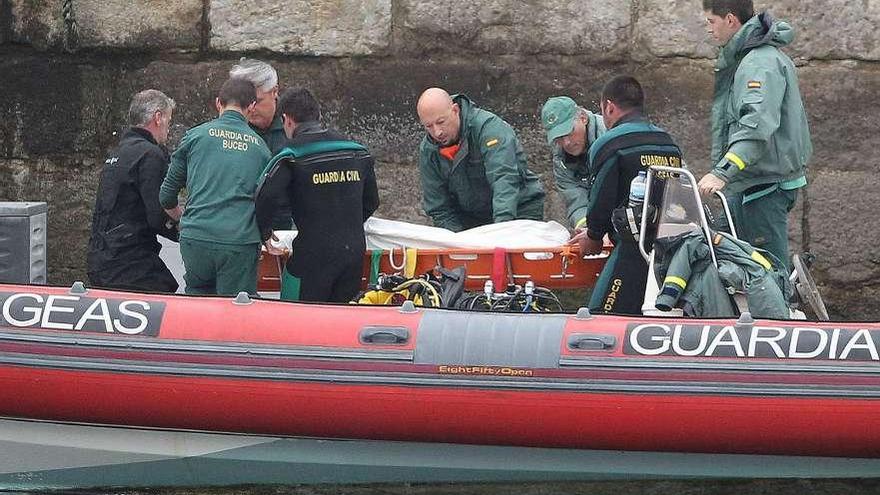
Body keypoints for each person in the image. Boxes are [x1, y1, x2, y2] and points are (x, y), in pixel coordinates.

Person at [697, 0, 811, 273]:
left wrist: (721, 172)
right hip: (751, 181)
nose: (707, 29)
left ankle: (778, 311)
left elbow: (755, 126)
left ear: (731, 20)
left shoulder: (758, 64)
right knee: (730, 253)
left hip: (764, 185)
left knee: (769, 268)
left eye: (711, 22)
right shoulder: (750, 59)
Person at [255, 88, 379, 302]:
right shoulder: (357, 152)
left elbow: (264, 197)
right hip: (352, 253)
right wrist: (345, 221)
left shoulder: (290, 156)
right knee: (342, 322)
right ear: (318, 116)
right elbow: (372, 201)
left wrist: (264, 233)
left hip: (312, 255)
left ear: (287, 120)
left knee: (297, 319)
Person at [575, 76, 683, 315]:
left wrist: (593, 235)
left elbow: (601, 198)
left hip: (632, 250)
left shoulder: (609, 144)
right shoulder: (668, 143)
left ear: (609, 107)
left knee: (600, 317)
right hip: (672, 253)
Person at [159, 78, 271, 296]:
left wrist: (184, 220)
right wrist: (266, 233)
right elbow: (267, 202)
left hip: (195, 238)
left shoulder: (194, 137)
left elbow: (166, 196)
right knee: (235, 310)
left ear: (218, 103)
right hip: (238, 241)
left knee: (198, 302)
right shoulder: (261, 149)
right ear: (252, 107)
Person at [87, 89, 180, 293]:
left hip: (101, 255)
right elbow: (157, 214)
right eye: (169, 121)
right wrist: (187, 234)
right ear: (158, 117)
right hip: (129, 261)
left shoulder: (118, 152)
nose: (168, 129)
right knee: (166, 293)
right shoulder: (150, 155)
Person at [416, 88, 545, 232]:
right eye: (429, 126)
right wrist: (457, 241)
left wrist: (501, 229)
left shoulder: (489, 129)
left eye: (441, 122)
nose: (437, 132)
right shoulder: (428, 150)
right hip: (472, 219)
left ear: (455, 110)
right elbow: (439, 207)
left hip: (519, 209)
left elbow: (504, 178)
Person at [230, 57, 293, 230]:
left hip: (287, 223)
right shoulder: (231, 126)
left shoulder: (295, 122)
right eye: (243, 101)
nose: (250, 108)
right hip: (241, 223)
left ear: (274, 92)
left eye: (256, 101)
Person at [541, 96, 607, 230]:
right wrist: (586, 228)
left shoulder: (610, 135)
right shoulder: (560, 158)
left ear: (583, 118)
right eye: (559, 137)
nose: (566, 143)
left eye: (569, 132)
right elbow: (575, 198)